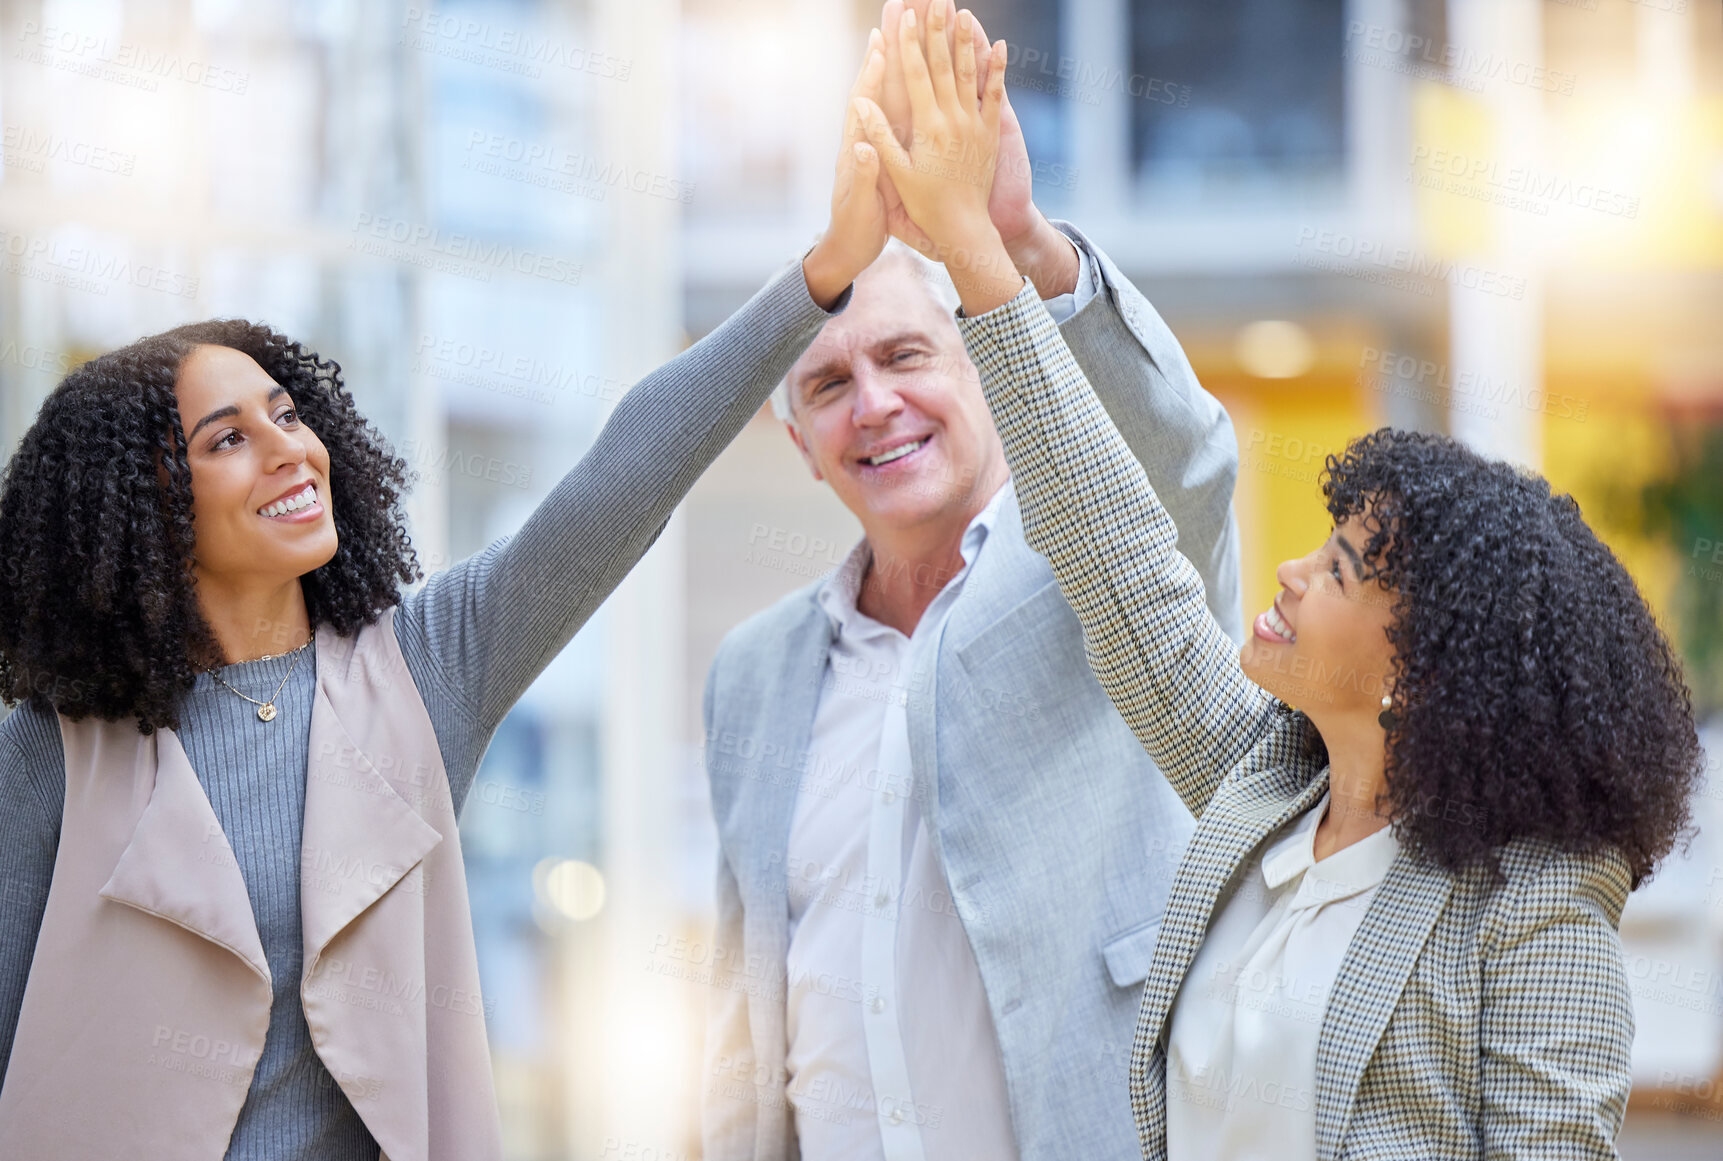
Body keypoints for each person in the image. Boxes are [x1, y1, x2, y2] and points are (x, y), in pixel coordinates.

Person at [859, 9, 1703, 1159]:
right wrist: (1004, 253)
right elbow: (1119, 560)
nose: (1297, 572)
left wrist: (970, 256)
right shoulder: (1262, 796)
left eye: (1346, 568)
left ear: (1423, 667)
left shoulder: (1531, 901)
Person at [0, 84, 888, 1159]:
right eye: (228, 439)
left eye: (289, 413)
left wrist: (821, 275)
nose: (291, 448)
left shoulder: (422, 670)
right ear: (144, 506)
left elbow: (620, 484)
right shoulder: (58, 751)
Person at [700, 3, 1240, 1157]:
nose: (874, 405)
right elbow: (747, 1006)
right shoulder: (750, 675)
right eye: (828, 385)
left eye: (904, 356)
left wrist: (1020, 249)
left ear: (988, 374)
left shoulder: (1094, 571)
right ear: (797, 440)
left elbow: (1182, 463)